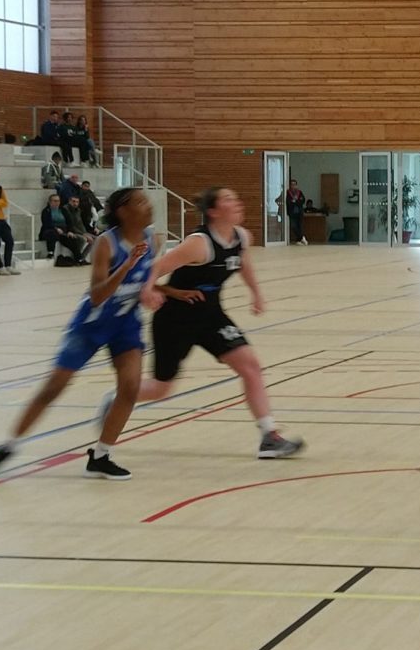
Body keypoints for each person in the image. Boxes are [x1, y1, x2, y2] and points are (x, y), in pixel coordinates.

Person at [110, 187, 304, 459]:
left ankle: (269, 437)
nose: (237, 202)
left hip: (211, 315)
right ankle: (117, 400)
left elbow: (243, 263)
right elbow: (156, 267)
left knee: (251, 367)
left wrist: (256, 293)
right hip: (176, 319)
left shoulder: (241, 237)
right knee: (161, 388)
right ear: (213, 211)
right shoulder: (199, 243)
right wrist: (148, 290)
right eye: (228, 199)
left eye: (236, 197)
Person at [0, 189, 157, 481]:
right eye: (140, 201)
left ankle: (101, 456)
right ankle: (9, 445)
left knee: (130, 386)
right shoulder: (106, 243)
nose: (149, 205)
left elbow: (146, 281)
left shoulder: (151, 240)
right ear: (123, 211)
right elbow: (97, 295)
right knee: (54, 387)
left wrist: (163, 291)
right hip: (92, 323)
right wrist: (126, 266)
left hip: (126, 323)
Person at [41, 193, 86, 265]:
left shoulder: (63, 210)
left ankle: (79, 258)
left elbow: (69, 222)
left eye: (58, 201)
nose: (57, 203)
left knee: (72, 238)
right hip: (50, 229)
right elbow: (46, 223)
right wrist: (56, 228)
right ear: (50, 202)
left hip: (63, 231)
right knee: (51, 233)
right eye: (55, 201)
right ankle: (50, 252)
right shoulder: (46, 211)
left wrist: (70, 231)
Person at [282, 180, 307, 244]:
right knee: (293, 226)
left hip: (299, 212)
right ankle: (302, 237)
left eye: (294, 184)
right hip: (292, 212)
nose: (293, 186)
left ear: (296, 185)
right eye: (292, 184)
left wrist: (295, 201)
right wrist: (294, 201)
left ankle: (299, 240)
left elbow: (302, 200)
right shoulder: (287, 192)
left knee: (300, 226)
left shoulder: (299, 192)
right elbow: (288, 202)